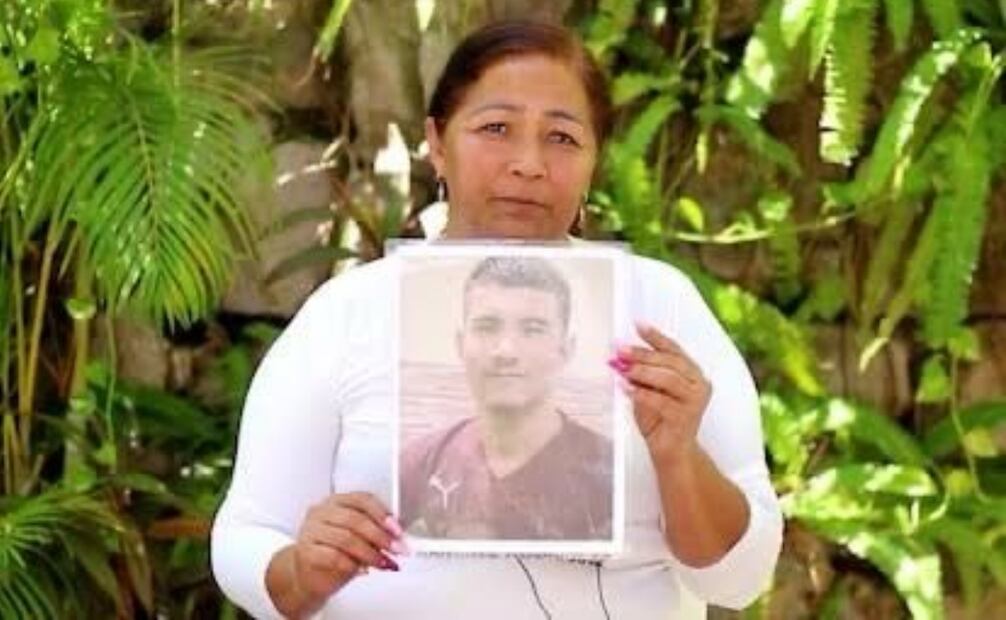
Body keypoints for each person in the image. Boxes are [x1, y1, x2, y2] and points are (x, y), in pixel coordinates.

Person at [212, 19, 783, 619]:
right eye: (495, 129)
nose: (528, 164)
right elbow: (247, 533)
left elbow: (741, 580)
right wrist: (301, 570)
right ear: (437, 144)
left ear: (594, 159)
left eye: (562, 137)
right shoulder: (350, 312)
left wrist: (677, 455)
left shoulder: (656, 307)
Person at [399, 255, 613, 541]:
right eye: (487, 327)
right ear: (461, 344)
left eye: (532, 330)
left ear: (566, 349)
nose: (506, 351)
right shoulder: (418, 465)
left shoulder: (608, 471)